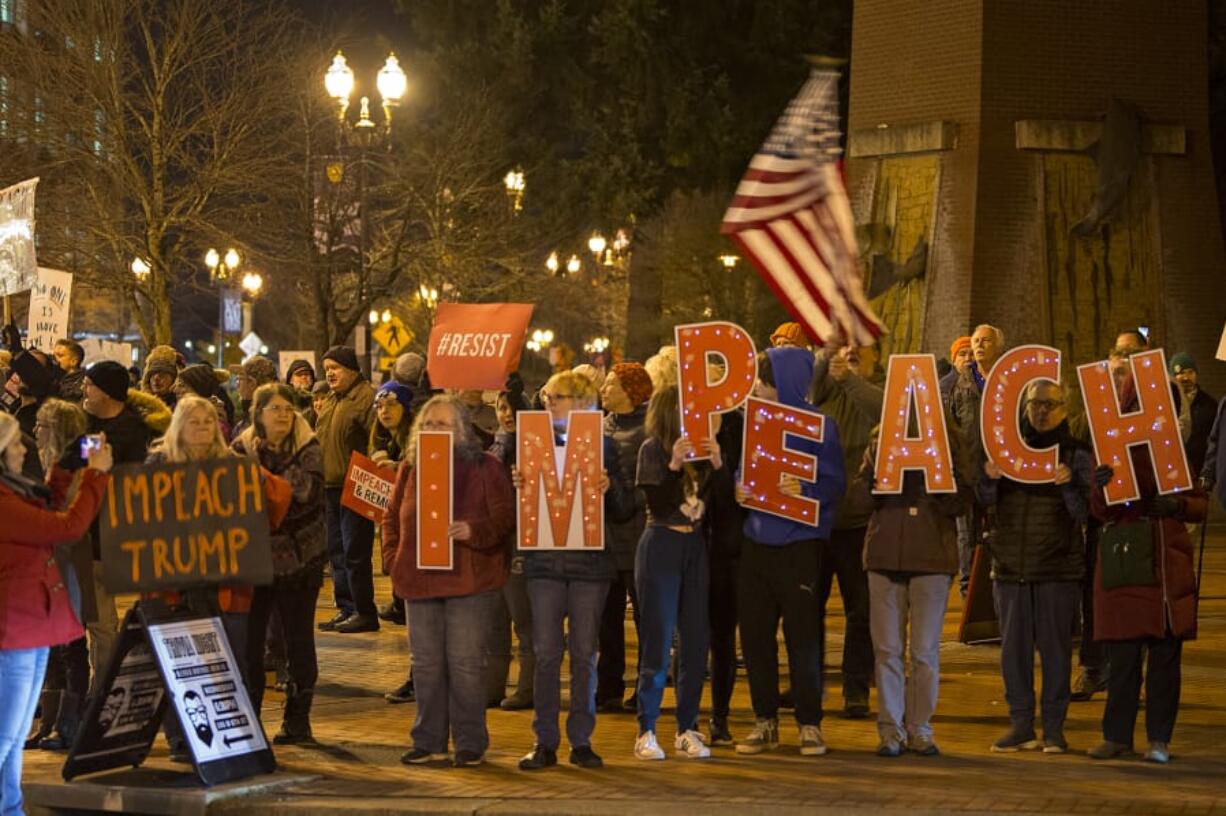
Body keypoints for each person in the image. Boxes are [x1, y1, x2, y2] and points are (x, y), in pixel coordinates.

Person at [381, 395, 514, 768]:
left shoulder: (486, 466)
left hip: (469, 583)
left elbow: (505, 519)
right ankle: (428, 740)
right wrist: (395, 559)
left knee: (466, 663)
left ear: (461, 430)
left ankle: (470, 742)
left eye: (443, 424)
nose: (434, 431)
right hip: (418, 582)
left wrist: (473, 530)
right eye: (428, 424)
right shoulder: (410, 467)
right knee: (425, 664)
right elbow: (389, 517)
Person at [1086, 365, 1207, 765]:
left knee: (1164, 661)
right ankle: (1117, 736)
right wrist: (1100, 483)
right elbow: (1100, 512)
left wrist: (1178, 505)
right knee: (1122, 659)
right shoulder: (1112, 451)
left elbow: (1200, 505)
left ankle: (1159, 737)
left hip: (1167, 573)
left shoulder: (1175, 453)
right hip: (1127, 564)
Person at [517, 371, 633, 771]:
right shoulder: (529, 442)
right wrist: (516, 481)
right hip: (545, 563)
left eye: (558, 396)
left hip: (589, 566)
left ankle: (581, 740)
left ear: (582, 402)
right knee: (546, 653)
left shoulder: (604, 446)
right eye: (546, 395)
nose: (548, 402)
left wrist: (609, 486)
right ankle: (544, 740)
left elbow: (624, 509)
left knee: (584, 654)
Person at [734, 346, 845, 758]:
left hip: (799, 544)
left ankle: (809, 723)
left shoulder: (822, 426)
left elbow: (836, 484)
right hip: (756, 544)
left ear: (788, 382)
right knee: (756, 639)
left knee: (802, 639)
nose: (758, 388)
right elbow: (743, 470)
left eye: (765, 380)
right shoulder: (753, 425)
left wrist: (808, 488)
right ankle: (765, 721)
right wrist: (739, 488)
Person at [0, 411, 112, 816]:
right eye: (14, 443)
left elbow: (46, 504)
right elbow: (65, 527)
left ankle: (11, 809)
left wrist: (69, 465)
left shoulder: (13, 490)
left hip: (31, 627)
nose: (23, 448)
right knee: (4, 737)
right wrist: (96, 476)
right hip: (13, 634)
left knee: (11, 742)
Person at [978, 380, 1093, 754]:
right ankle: (1021, 725)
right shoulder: (1006, 451)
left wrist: (1070, 484)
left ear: (1064, 407)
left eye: (1050, 404)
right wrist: (989, 478)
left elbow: (1086, 512)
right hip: (1010, 564)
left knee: (1056, 651)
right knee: (1013, 652)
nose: (1042, 411)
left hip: (1057, 567)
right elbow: (980, 501)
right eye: (1035, 403)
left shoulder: (1075, 452)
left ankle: (1054, 729)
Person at [856, 418, 965, 757]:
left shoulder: (949, 440)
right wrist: (873, 483)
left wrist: (940, 479)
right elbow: (859, 499)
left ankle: (919, 729)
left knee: (923, 652)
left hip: (931, 560)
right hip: (885, 557)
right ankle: (891, 731)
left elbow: (964, 500)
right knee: (887, 650)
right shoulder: (881, 438)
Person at [232, 383, 326, 744]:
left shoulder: (308, 446)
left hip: (301, 564)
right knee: (250, 645)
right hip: (254, 563)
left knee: (298, 642)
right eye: (275, 408)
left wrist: (260, 477)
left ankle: (297, 721)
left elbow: (307, 493)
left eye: (288, 408)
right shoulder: (239, 449)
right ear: (258, 413)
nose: (284, 414)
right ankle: (249, 721)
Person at [632, 384, 719, 761]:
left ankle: (687, 727)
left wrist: (717, 467)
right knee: (658, 639)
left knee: (695, 642)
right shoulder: (652, 448)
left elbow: (718, 506)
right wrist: (672, 465)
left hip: (694, 548)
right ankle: (647, 729)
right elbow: (656, 500)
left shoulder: (701, 453)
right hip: (662, 545)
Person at [81, 361, 168, 684]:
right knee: (99, 622)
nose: (83, 391)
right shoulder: (86, 426)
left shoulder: (136, 431)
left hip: (124, 536)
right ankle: (100, 688)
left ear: (106, 392)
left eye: (89, 385)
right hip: (89, 538)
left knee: (143, 613)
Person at [810, 344, 883, 719]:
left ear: (876, 359)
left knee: (860, 610)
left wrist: (850, 378)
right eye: (845, 349)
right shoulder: (826, 391)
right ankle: (809, 683)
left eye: (859, 351)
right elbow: (809, 384)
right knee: (809, 607)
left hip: (858, 523)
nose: (850, 353)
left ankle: (856, 690)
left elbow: (882, 411)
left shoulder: (879, 392)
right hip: (819, 521)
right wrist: (825, 354)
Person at [25, 399, 92, 751]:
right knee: (52, 645)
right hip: (48, 560)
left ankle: (70, 722)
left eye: (42, 424)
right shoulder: (41, 461)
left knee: (72, 644)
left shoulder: (80, 457)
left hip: (72, 559)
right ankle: (49, 721)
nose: (35, 431)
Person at [595, 362, 652, 713]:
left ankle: (645, 688)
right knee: (606, 617)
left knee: (645, 618)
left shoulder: (648, 429)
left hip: (636, 534)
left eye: (612, 384)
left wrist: (626, 498)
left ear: (631, 391)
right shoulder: (600, 426)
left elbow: (650, 480)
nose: (604, 389)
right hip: (605, 537)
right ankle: (608, 685)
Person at [316, 346, 379, 633]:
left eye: (336, 368)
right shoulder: (331, 400)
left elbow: (376, 440)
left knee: (355, 551)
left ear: (352, 369)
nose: (330, 373)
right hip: (330, 487)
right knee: (337, 551)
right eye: (326, 368)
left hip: (355, 484)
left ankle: (365, 610)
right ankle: (346, 607)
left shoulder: (366, 398)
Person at [484, 375, 535, 711]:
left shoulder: (532, 444)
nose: (506, 414)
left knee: (523, 618)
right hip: (496, 540)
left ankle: (527, 689)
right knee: (495, 617)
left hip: (520, 540)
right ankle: (493, 686)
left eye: (512, 408)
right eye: (501, 408)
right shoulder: (496, 445)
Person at [949, 324, 1006, 596]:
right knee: (966, 535)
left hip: (1000, 471)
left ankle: (999, 587)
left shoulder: (1008, 379)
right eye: (976, 341)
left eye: (985, 341)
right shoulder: (960, 384)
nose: (979, 346)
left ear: (998, 346)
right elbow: (953, 425)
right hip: (969, 470)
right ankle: (968, 591)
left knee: (999, 530)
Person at [371, 381, 415, 629]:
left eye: (391, 404)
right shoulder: (388, 440)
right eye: (379, 406)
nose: (384, 411)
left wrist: (397, 468)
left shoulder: (414, 439)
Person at [1169, 353, 1217, 479]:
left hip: (1197, 471)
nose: (1185, 377)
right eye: (1180, 373)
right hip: (1170, 470)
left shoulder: (1209, 405)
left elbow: (1215, 441)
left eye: (1190, 372)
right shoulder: (1164, 404)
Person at [174, 364, 235, 436]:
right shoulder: (191, 413)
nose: (175, 390)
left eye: (182, 385)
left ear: (199, 388)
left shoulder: (213, 424)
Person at [940, 336, 972, 404]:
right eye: (962, 354)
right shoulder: (945, 386)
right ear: (954, 360)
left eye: (972, 354)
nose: (968, 358)